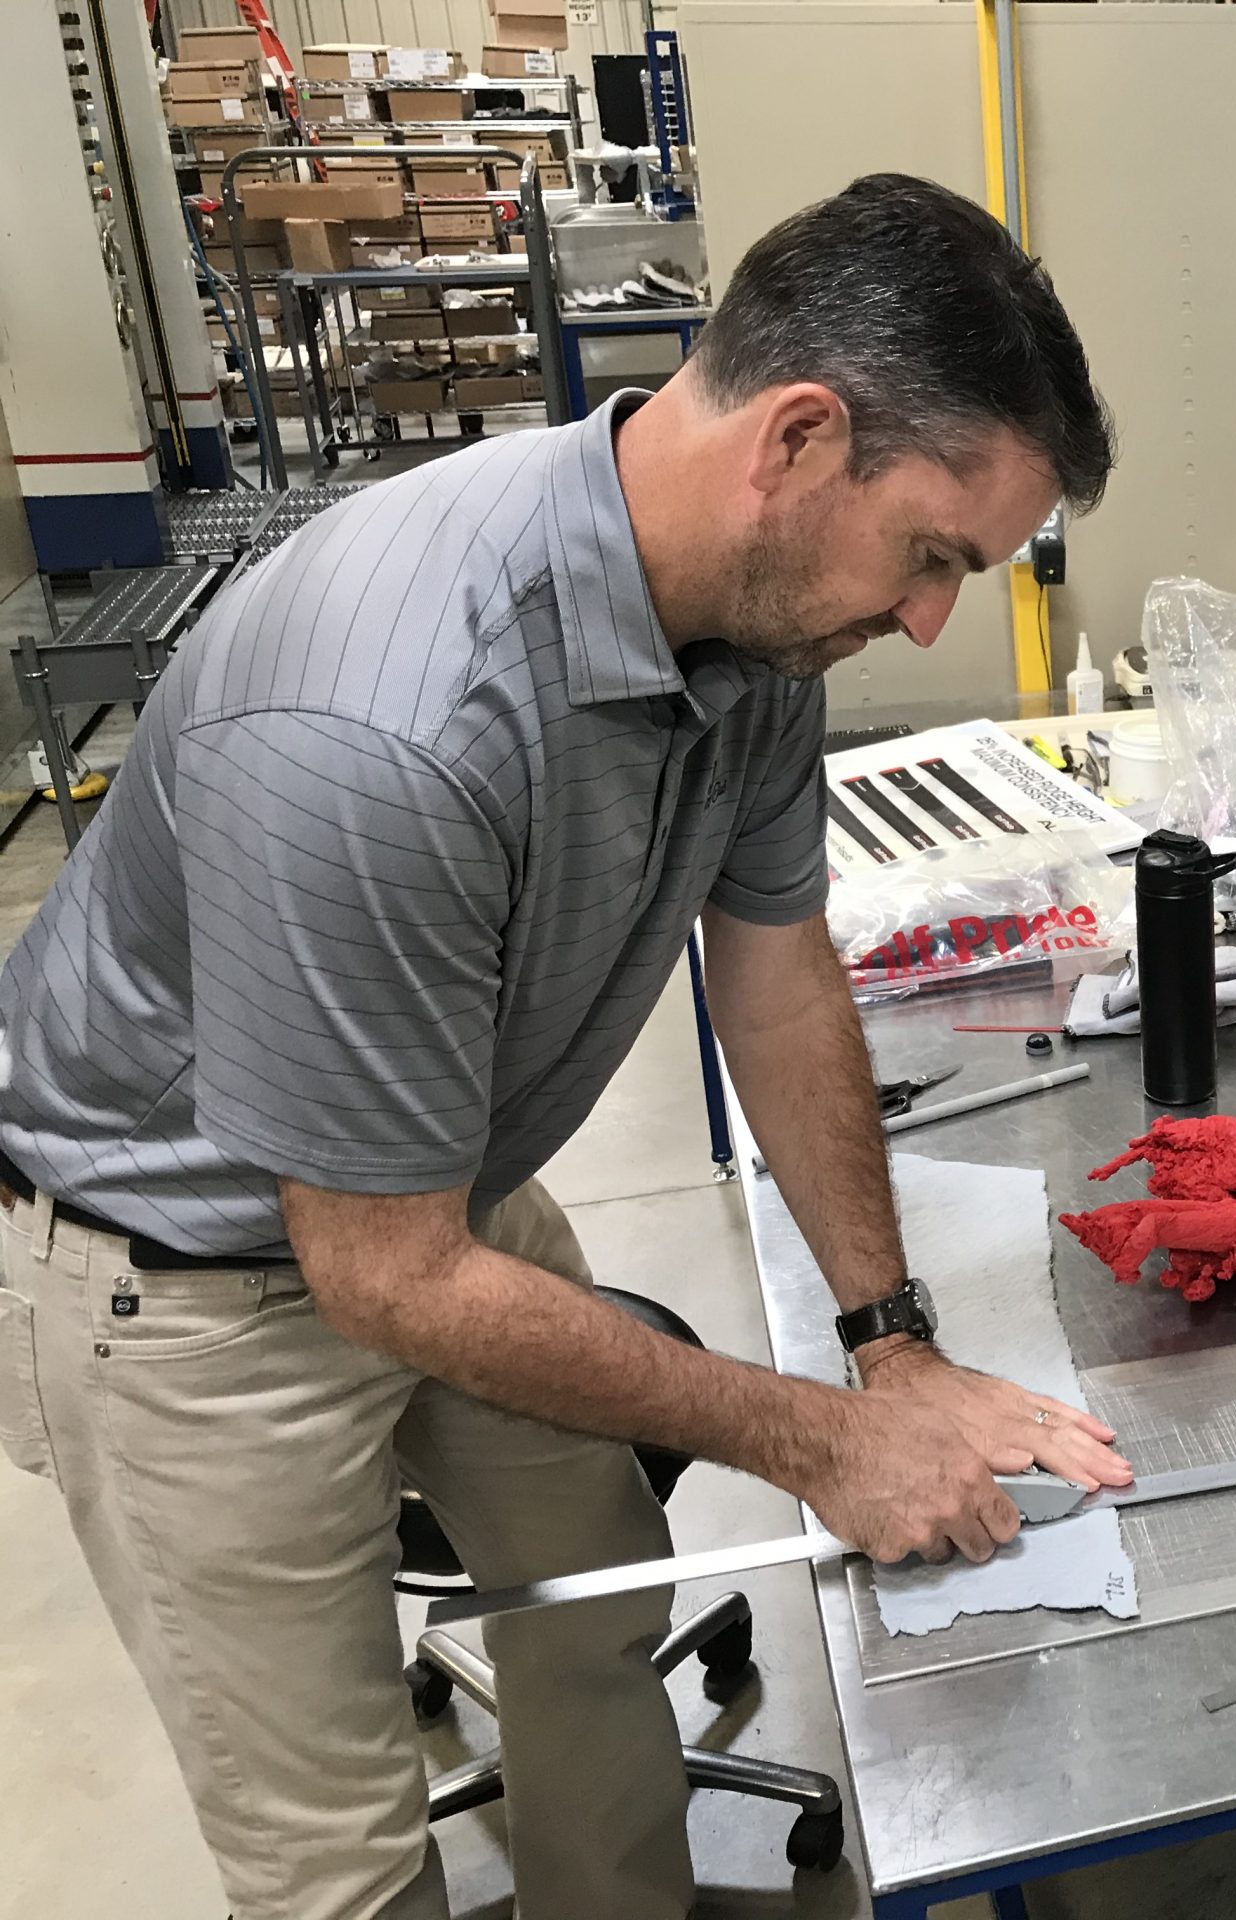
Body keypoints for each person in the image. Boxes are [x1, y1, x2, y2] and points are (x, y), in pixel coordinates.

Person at [0, 174, 1125, 1920]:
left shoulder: (758, 621)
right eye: (933, 557)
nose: (930, 624)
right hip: (195, 1284)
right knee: (339, 1870)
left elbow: (772, 970)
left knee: (597, 1612)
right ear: (802, 438)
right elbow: (378, 1273)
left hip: (452, 1195)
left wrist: (887, 1348)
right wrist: (820, 1441)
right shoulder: (386, 725)